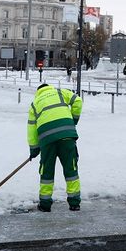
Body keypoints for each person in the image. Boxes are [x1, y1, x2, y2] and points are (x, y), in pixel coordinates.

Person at [27, 83, 83, 212]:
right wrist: (73, 121)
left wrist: (34, 148)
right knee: (71, 169)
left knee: (47, 171)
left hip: (47, 140)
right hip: (67, 137)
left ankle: (45, 204)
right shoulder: (60, 92)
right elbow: (78, 101)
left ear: (38, 92)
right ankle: (74, 203)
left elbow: (31, 128)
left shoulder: (35, 103)